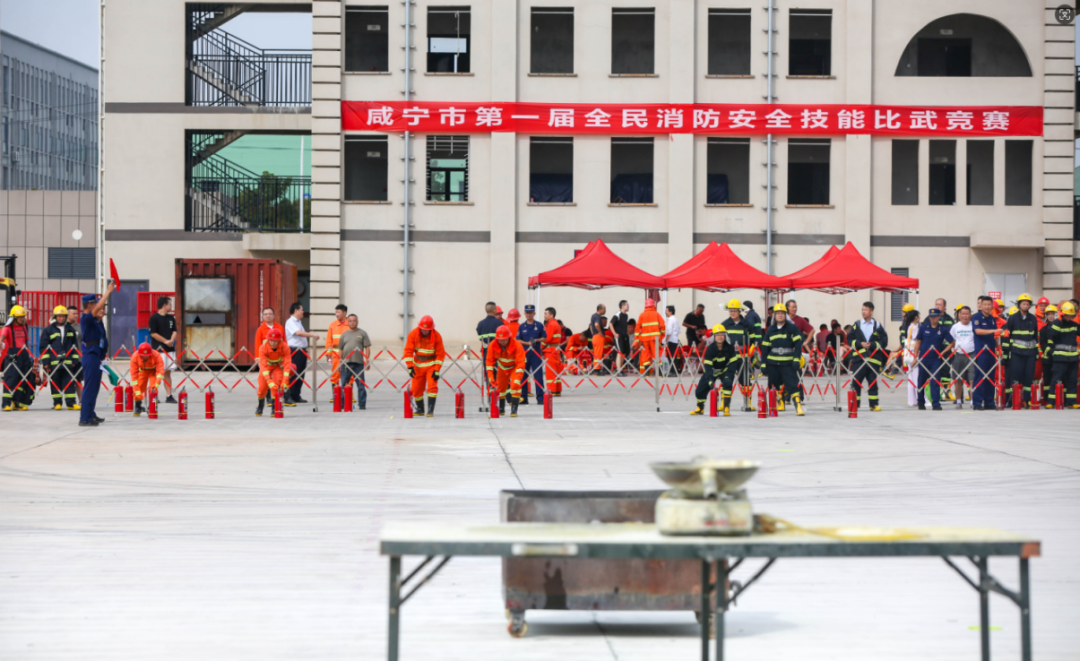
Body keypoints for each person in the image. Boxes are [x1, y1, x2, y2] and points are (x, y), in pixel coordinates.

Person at [78, 285, 116, 426]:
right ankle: (85, 418)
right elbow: (99, 306)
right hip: (90, 355)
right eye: (96, 304)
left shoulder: (96, 322)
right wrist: (108, 291)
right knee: (89, 386)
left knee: (94, 387)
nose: (100, 308)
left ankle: (90, 413)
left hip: (97, 356)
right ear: (90, 305)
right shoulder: (86, 319)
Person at [761, 304, 805, 415]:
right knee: (774, 385)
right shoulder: (770, 330)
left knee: (792, 384)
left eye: (782, 313)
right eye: (778, 314)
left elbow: (798, 345)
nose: (780, 315)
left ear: (786, 315)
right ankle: (780, 402)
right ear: (774, 316)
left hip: (787, 362)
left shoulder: (792, 328)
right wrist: (763, 363)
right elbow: (765, 347)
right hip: (773, 363)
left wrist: (796, 359)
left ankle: (798, 407)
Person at [846, 301, 888, 412]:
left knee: (872, 382)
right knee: (856, 383)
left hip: (873, 360)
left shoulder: (877, 325)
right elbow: (849, 339)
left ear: (871, 311)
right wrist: (860, 344)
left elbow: (884, 341)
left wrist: (873, 345)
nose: (863, 311)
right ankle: (854, 405)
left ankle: (873, 405)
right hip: (859, 359)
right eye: (862, 309)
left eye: (866, 309)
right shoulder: (857, 324)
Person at [39, 305, 81, 410]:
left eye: (63, 316)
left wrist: (75, 359)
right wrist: (46, 361)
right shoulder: (48, 330)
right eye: (59, 316)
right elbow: (44, 347)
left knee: (69, 382)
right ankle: (57, 403)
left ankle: (71, 403)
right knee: (55, 382)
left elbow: (74, 346)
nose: (61, 318)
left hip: (68, 361)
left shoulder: (70, 329)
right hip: (54, 361)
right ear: (55, 317)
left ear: (66, 317)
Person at [404, 315, 446, 417]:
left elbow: (440, 355)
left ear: (432, 329)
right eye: (423, 329)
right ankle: (420, 409)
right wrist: (410, 367)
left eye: (427, 330)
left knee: (432, 387)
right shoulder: (413, 334)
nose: (425, 332)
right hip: (418, 365)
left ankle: (430, 410)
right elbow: (408, 351)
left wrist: (437, 370)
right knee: (416, 388)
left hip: (431, 365)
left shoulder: (437, 336)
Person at [690, 325, 736, 415]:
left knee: (727, 382)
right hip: (712, 371)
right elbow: (708, 367)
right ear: (714, 336)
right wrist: (710, 380)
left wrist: (729, 376)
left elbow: (733, 365)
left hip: (724, 370)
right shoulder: (710, 349)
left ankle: (726, 407)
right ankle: (700, 408)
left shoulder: (730, 348)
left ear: (725, 336)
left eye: (722, 334)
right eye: (717, 334)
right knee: (700, 389)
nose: (720, 337)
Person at [1003, 294, 1039, 408]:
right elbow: (1006, 335)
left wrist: (1036, 352)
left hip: (1030, 353)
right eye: (1023, 303)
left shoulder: (1033, 318)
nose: (1025, 305)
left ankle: (1027, 400)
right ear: (1019, 305)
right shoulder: (1012, 318)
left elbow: (1035, 337)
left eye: (1027, 304)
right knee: (1015, 376)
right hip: (1016, 352)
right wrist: (1006, 352)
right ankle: (1014, 399)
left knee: (1029, 376)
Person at [913, 309, 950, 411]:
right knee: (921, 380)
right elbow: (918, 342)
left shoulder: (942, 329)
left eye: (935, 317)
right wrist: (915, 357)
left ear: (939, 317)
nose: (932, 319)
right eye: (931, 317)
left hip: (935, 360)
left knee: (935, 381)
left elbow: (952, 342)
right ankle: (920, 402)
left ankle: (936, 403)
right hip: (924, 359)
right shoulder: (924, 327)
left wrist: (942, 353)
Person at [486, 325, 526, 416]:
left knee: (515, 386)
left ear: (509, 337)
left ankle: (514, 410)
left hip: (514, 367)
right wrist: (490, 376)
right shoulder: (492, 345)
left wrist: (518, 379)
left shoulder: (517, 345)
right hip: (502, 367)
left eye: (504, 339)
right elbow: (489, 362)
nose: (502, 341)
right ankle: (501, 409)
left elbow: (521, 363)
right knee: (500, 388)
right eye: (500, 339)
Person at [1044, 301, 1079, 408]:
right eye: (1067, 315)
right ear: (1063, 314)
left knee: (1072, 380)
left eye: (1071, 315)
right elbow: (1051, 334)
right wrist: (1059, 320)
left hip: (1073, 358)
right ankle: (1051, 401)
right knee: (1055, 380)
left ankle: (1071, 402)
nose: (1069, 317)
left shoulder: (1075, 325)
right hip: (1060, 358)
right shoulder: (1056, 324)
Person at [970, 296, 1002, 411]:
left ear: (992, 306)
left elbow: (996, 336)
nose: (987, 306)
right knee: (979, 377)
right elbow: (978, 331)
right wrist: (994, 330)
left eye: (989, 304)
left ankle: (989, 402)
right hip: (981, 353)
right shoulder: (976, 317)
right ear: (981, 305)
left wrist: (999, 348)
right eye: (985, 304)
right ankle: (977, 402)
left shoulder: (992, 319)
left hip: (991, 353)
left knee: (990, 378)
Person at [1, 305, 35, 411]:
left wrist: (29, 356)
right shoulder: (7, 328)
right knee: (11, 379)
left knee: (23, 380)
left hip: (24, 355)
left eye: (24, 316)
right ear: (14, 317)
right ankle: (6, 403)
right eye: (21, 317)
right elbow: (1, 338)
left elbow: (26, 342)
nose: (23, 318)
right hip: (13, 355)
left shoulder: (24, 327)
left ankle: (17, 402)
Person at [284, 302, 318, 405]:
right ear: (296, 310)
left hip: (302, 350)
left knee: (301, 374)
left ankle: (296, 395)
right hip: (294, 351)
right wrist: (312, 335)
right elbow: (298, 333)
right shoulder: (290, 322)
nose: (303, 312)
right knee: (294, 372)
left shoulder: (298, 322)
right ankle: (288, 395)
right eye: (302, 310)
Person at [721, 299, 754, 405]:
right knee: (726, 380)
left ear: (740, 311)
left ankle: (747, 402)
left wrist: (751, 356)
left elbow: (753, 341)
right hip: (729, 358)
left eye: (735, 310)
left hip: (743, 358)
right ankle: (724, 403)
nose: (732, 312)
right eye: (730, 310)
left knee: (745, 381)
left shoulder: (747, 324)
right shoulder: (725, 325)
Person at [336, 314, 371, 410]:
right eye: (350, 320)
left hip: (359, 363)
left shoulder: (362, 333)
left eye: (354, 320)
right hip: (346, 363)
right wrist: (340, 362)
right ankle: (343, 403)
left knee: (361, 384)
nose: (352, 322)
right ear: (348, 322)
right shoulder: (344, 334)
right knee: (344, 384)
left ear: (357, 321)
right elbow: (341, 349)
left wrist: (367, 360)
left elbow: (367, 347)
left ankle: (362, 403)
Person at [255, 329, 294, 416]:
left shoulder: (285, 347)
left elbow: (287, 365)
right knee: (262, 387)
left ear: (279, 340)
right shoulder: (263, 348)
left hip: (277, 366)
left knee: (277, 384)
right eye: (271, 340)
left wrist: (285, 380)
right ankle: (260, 406)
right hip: (266, 367)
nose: (272, 342)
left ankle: (274, 407)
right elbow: (263, 366)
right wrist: (269, 380)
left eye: (275, 340)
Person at [147, 296, 178, 404]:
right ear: (164, 305)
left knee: (167, 373)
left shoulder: (171, 318)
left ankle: (169, 395)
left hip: (170, 350)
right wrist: (165, 341)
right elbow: (153, 333)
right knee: (156, 373)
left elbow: (174, 330)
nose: (171, 306)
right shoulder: (154, 318)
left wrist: (171, 340)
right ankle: (154, 394)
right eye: (170, 304)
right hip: (158, 350)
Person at [516, 304, 546, 404]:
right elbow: (518, 340)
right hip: (525, 354)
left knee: (538, 376)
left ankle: (540, 398)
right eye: (527, 313)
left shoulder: (539, 325)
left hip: (536, 354)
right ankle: (523, 397)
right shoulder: (521, 326)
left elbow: (544, 338)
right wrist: (527, 343)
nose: (529, 314)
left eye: (531, 312)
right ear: (524, 313)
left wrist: (536, 340)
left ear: (534, 313)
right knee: (523, 375)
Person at [949, 306, 975, 408]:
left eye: (967, 313)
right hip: (958, 355)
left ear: (970, 315)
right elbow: (952, 341)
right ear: (959, 315)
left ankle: (973, 402)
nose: (965, 316)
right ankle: (959, 401)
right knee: (958, 380)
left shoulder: (973, 326)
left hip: (972, 355)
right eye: (963, 314)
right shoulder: (955, 327)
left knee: (972, 380)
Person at [129, 342, 165, 416]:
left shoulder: (157, 355)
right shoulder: (135, 356)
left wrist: (157, 382)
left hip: (153, 372)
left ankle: (151, 407)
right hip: (142, 371)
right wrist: (136, 388)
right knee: (138, 389)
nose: (145, 357)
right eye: (142, 356)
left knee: (153, 389)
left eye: (147, 355)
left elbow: (160, 370)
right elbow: (134, 373)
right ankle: (138, 406)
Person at [636, 298, 666, 375]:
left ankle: (647, 373)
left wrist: (637, 339)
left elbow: (637, 328)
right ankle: (659, 373)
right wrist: (662, 335)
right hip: (655, 338)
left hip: (644, 339)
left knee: (646, 354)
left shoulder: (642, 315)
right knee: (656, 354)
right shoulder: (657, 314)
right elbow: (662, 325)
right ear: (653, 305)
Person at [900, 310, 921, 407]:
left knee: (911, 378)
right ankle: (921, 398)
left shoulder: (909, 327)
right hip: (914, 354)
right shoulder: (915, 328)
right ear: (916, 317)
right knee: (916, 377)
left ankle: (912, 400)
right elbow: (918, 341)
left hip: (908, 353)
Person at [1038, 304, 1058, 406]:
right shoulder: (1043, 329)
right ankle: (1047, 400)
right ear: (1046, 315)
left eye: (1052, 314)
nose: (1051, 316)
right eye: (1049, 314)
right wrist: (1051, 352)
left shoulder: (1059, 328)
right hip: (1047, 359)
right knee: (1047, 380)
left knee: (1057, 379)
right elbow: (1043, 344)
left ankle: (1057, 399)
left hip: (1058, 359)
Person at [326, 304, 350, 386]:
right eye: (336, 312)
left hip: (348, 354)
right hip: (336, 354)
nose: (336, 314)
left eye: (338, 312)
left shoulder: (350, 324)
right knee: (335, 374)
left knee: (349, 374)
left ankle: (349, 396)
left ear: (344, 313)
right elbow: (329, 340)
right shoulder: (332, 325)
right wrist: (328, 353)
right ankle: (335, 395)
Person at [543, 307, 564, 396]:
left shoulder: (551, 325)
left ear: (551, 315)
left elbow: (547, 339)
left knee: (550, 371)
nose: (544, 315)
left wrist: (539, 347)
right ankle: (557, 390)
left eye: (546, 314)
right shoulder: (557, 324)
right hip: (555, 350)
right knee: (556, 370)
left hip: (550, 350)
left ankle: (551, 390)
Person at [611, 301, 630, 372]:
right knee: (620, 352)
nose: (628, 307)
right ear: (622, 306)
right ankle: (618, 370)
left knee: (625, 352)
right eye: (627, 305)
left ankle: (619, 368)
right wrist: (615, 333)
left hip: (625, 335)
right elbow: (610, 324)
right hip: (618, 336)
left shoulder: (626, 315)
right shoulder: (617, 314)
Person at [664, 305, 682, 375]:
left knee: (670, 356)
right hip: (675, 339)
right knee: (673, 356)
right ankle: (674, 371)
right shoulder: (675, 319)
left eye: (666, 311)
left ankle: (673, 371)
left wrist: (666, 340)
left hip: (671, 340)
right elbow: (678, 331)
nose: (665, 312)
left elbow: (669, 331)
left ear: (670, 312)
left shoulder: (671, 319)